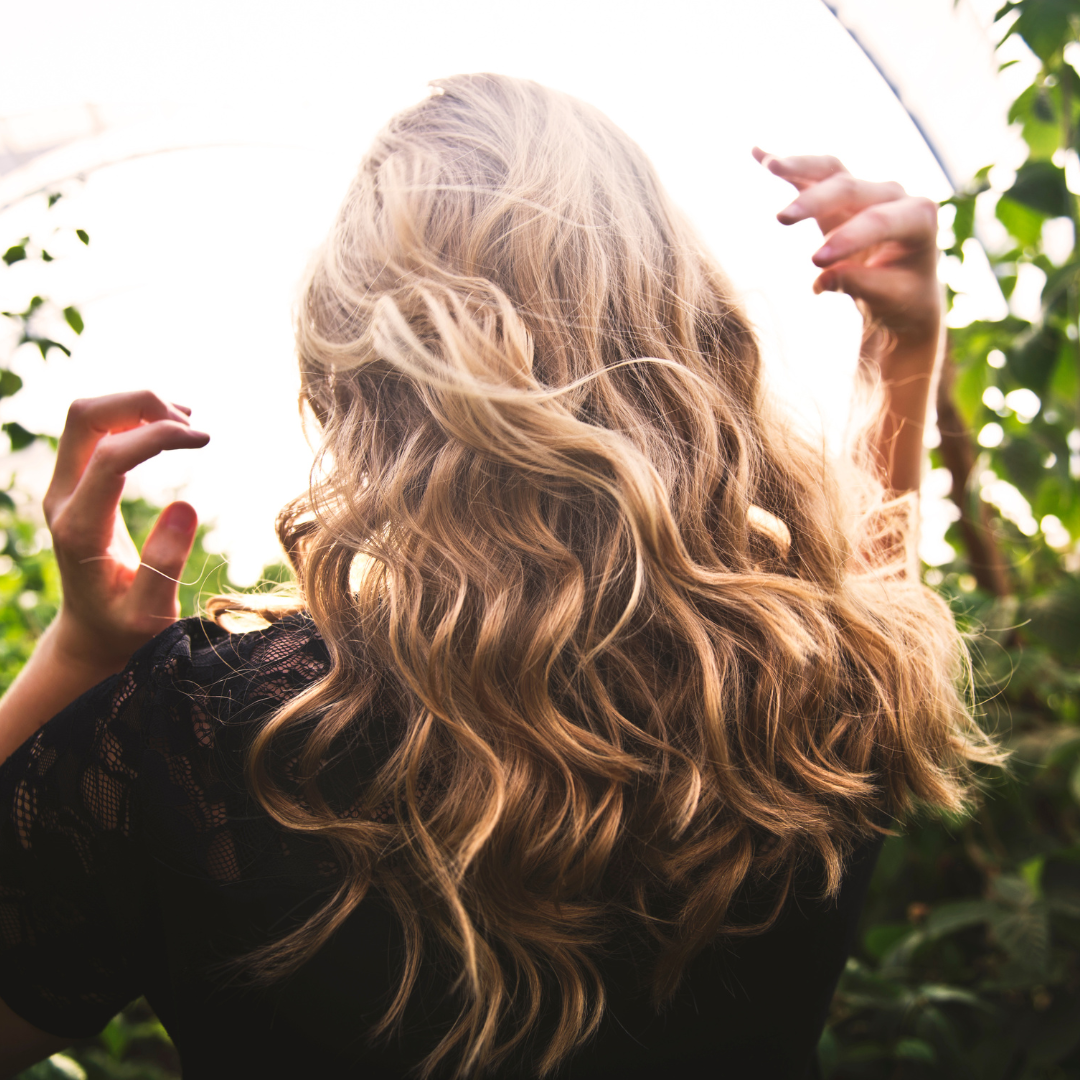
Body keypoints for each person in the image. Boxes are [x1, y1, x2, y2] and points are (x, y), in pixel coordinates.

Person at [0, 74, 997, 1079]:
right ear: (677, 327)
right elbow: (869, 596)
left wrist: (81, 657)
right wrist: (902, 347)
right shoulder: (823, 682)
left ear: (355, 374)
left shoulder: (204, 742)